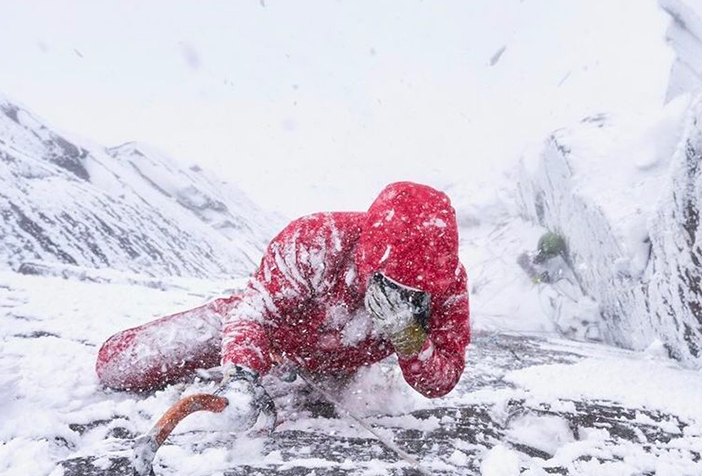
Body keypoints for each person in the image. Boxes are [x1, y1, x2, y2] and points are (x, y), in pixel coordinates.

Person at [96, 182, 471, 430]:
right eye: (391, 284)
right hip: (264, 338)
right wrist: (241, 375)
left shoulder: (447, 281)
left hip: (335, 363)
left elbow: (442, 379)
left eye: (415, 293)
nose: (402, 298)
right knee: (120, 366)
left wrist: (410, 341)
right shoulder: (316, 240)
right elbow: (252, 315)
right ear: (368, 260)